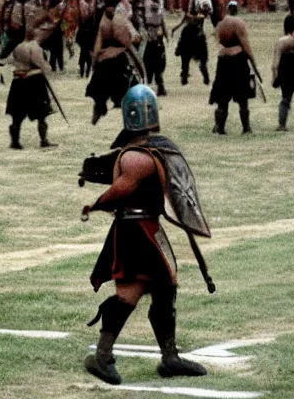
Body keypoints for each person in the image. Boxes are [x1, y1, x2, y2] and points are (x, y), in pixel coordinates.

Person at [82, 84, 211, 385]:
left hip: (150, 228)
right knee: (130, 292)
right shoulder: (137, 157)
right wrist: (96, 204)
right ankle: (102, 357)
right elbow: (120, 190)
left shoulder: (151, 150)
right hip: (133, 231)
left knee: (166, 288)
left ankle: (169, 358)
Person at [85, 0, 143, 125]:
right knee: (99, 89)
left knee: (129, 89)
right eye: (108, 7)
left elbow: (132, 33)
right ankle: (99, 109)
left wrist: (134, 37)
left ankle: (132, 115)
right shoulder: (103, 22)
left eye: (112, 7)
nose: (110, 10)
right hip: (106, 59)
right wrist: (94, 62)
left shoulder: (120, 18)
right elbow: (98, 44)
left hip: (119, 57)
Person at [209, 0, 260, 135]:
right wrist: (253, 61)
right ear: (236, 9)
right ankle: (246, 128)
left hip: (223, 60)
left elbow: (220, 41)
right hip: (238, 60)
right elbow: (245, 44)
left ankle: (220, 127)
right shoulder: (238, 23)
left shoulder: (220, 24)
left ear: (227, 9)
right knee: (242, 97)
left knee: (222, 98)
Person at [5, 26, 57, 149]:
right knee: (41, 115)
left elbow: (11, 62)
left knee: (17, 117)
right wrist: (45, 70)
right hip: (33, 82)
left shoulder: (18, 47)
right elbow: (40, 64)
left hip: (18, 81)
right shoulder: (35, 47)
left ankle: (15, 142)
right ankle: (43, 140)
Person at [142, 0, 169, 96]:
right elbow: (164, 25)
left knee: (153, 65)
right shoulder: (155, 12)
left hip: (154, 40)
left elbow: (163, 25)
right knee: (155, 65)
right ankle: (156, 86)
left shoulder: (149, 12)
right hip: (154, 40)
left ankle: (155, 86)